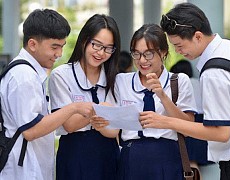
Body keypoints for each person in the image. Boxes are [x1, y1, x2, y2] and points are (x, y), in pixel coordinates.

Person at [144, 2, 230, 179]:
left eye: (179, 45)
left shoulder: (213, 73)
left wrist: (165, 122)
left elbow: (222, 133)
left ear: (198, 36)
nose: (178, 52)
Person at [0, 9, 93, 180]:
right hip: (22, 171)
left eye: (62, 47)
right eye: (54, 47)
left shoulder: (27, 72)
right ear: (33, 44)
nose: (59, 54)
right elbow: (31, 130)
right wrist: (74, 107)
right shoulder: (24, 76)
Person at [107, 24, 197, 180]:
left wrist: (162, 95)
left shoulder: (179, 81)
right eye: (136, 54)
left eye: (148, 54)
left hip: (167, 157)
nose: (142, 60)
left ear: (163, 52)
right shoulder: (121, 81)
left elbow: (189, 127)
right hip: (130, 158)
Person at [48, 14, 121, 180]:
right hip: (74, 154)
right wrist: (101, 109)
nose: (101, 53)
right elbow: (69, 125)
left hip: (107, 154)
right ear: (84, 40)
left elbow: (113, 131)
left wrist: (89, 115)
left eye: (108, 48)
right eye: (96, 45)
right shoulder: (62, 76)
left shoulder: (115, 79)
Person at [171, 60, 210, 178]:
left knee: (190, 161)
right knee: (194, 161)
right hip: (202, 122)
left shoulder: (179, 84)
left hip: (186, 121)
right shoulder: (198, 82)